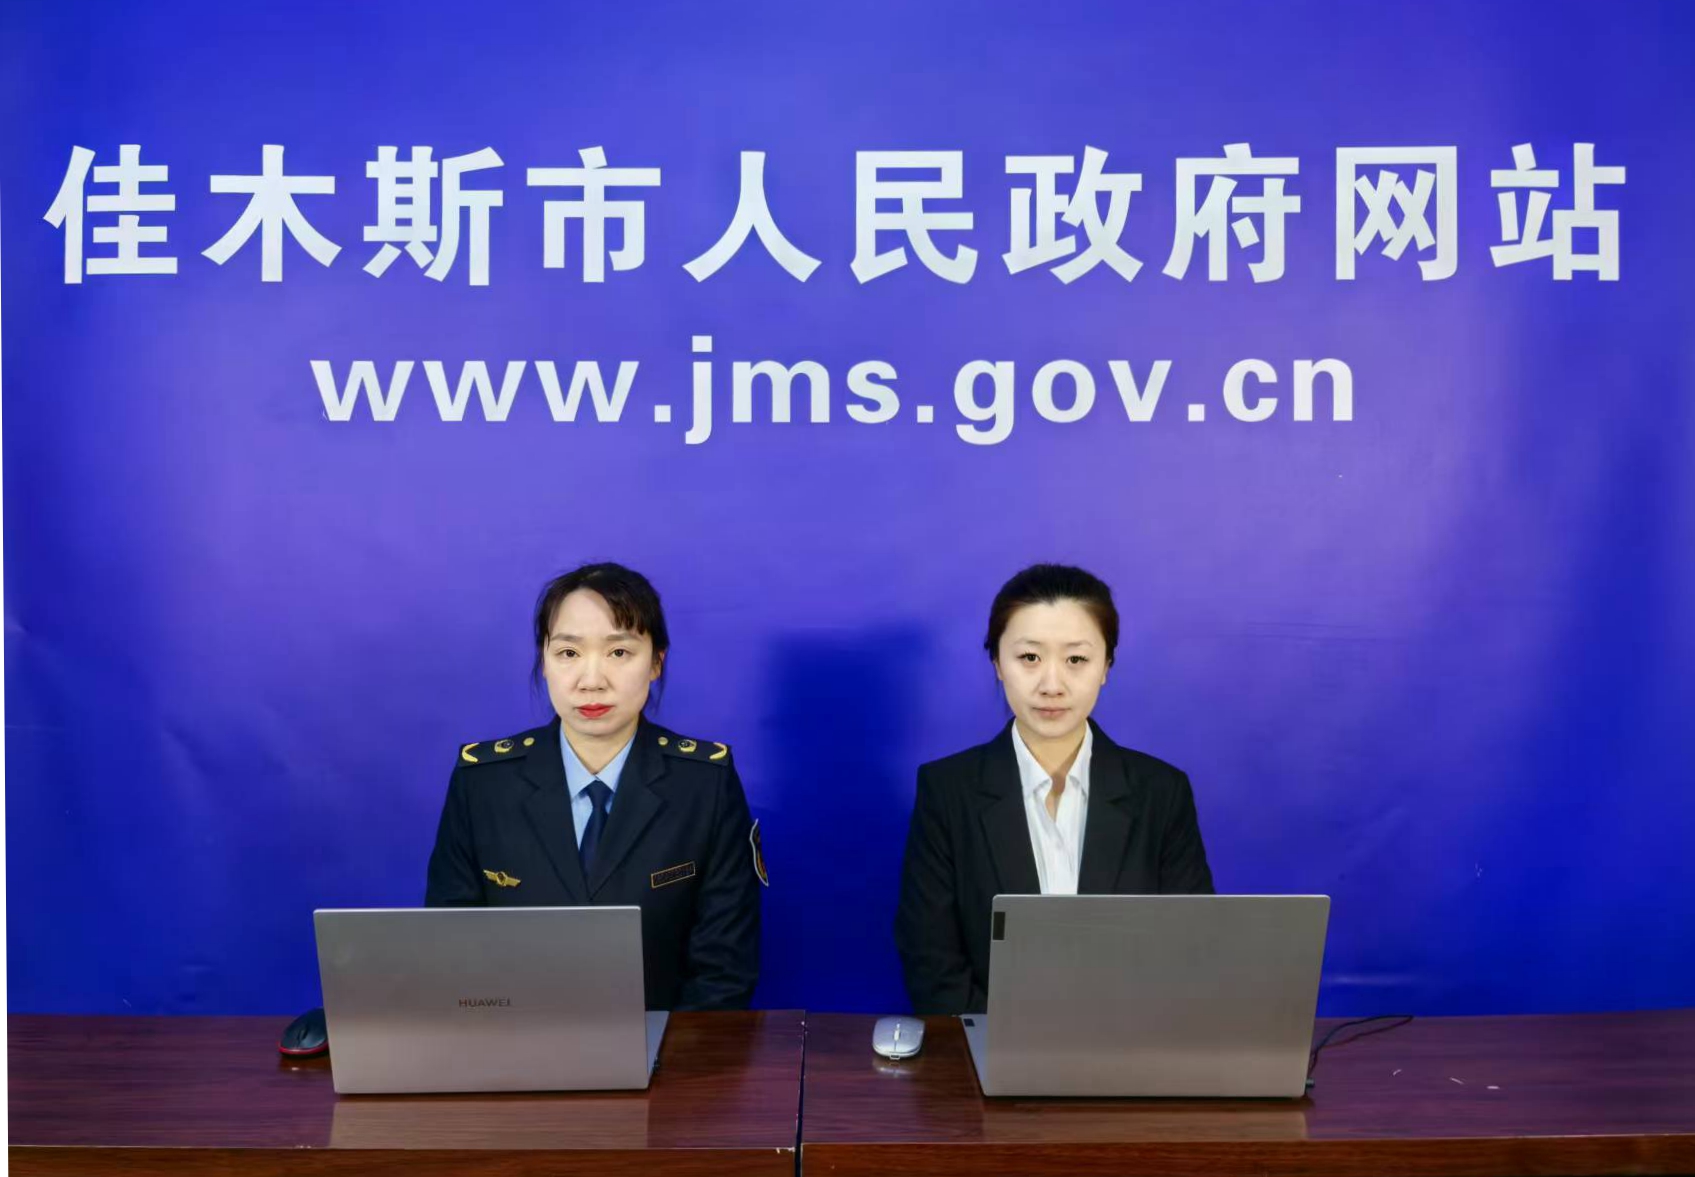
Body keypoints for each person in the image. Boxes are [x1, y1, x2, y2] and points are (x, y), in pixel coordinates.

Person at [425, 562, 764, 1010]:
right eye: (568, 653)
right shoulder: (483, 784)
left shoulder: (705, 785)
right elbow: (452, 951)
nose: (591, 681)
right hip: (513, 1042)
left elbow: (723, 973)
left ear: (656, 662)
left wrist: (662, 1050)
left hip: (667, 1045)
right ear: (544, 661)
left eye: (619, 652)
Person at [894, 563, 1213, 1014]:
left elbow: (1189, 949)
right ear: (997, 664)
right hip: (988, 1047)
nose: (1051, 685)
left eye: (1076, 660)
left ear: (1106, 666)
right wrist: (1014, 1042)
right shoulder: (948, 791)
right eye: (1029, 658)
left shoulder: (1162, 793)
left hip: (1131, 1044)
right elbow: (932, 963)